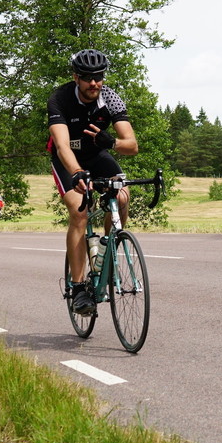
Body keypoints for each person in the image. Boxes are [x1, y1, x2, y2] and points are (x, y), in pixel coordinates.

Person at [47, 49, 138, 315]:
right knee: (80, 210)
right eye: (87, 78)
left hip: (97, 154)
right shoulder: (60, 98)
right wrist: (76, 172)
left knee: (122, 195)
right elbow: (62, 145)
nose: (94, 83)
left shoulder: (110, 97)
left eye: (98, 77)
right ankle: (78, 289)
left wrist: (112, 143)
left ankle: (105, 255)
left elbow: (131, 146)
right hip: (68, 159)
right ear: (76, 77)